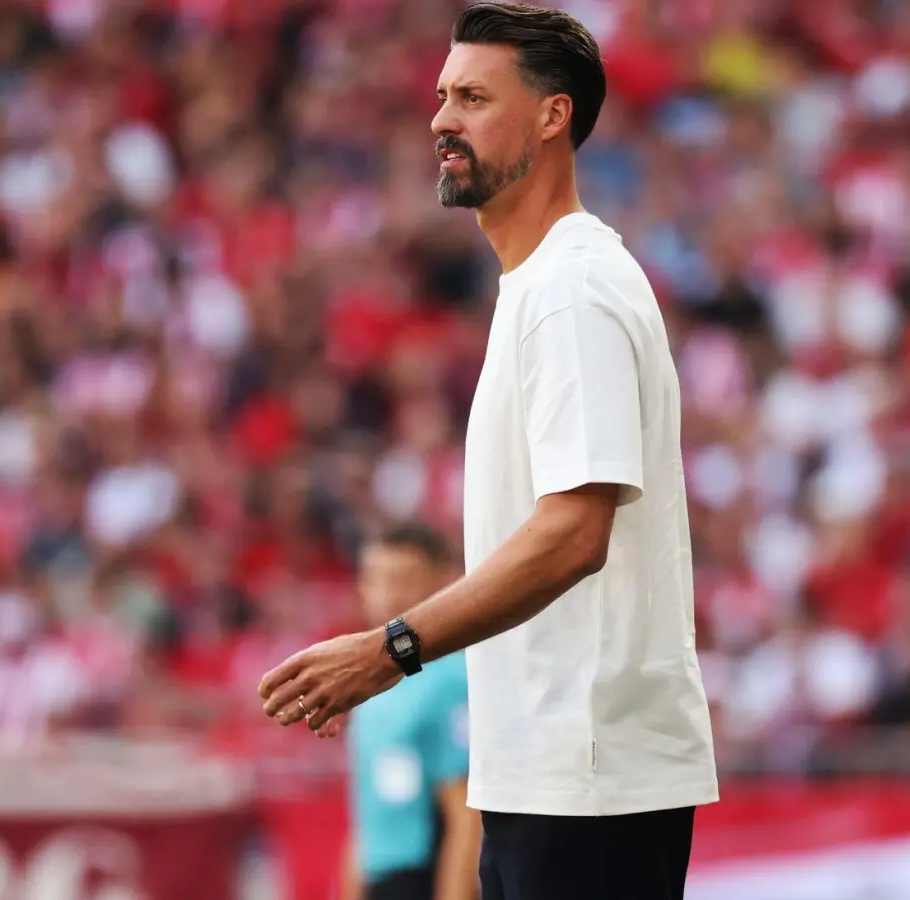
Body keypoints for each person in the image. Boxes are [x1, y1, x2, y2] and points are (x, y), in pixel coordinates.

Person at [256, 4, 719, 899]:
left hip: (587, 778)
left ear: (553, 116)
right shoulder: (538, 285)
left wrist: (390, 648)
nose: (441, 119)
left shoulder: (571, 289)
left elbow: (575, 532)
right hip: (553, 772)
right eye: (440, 96)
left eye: (472, 96)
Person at [341, 524, 480, 900]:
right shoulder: (370, 687)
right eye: (375, 579)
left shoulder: (451, 679)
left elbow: (465, 816)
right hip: (382, 875)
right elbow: (366, 816)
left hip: (422, 872)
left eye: (402, 580)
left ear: (442, 582)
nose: (387, 595)